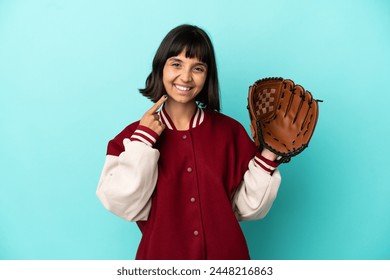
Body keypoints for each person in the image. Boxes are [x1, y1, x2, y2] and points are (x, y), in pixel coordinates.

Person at [96, 24, 281, 260]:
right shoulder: (131, 137)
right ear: (160, 67)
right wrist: (143, 140)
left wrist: (268, 157)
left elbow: (246, 208)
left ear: (208, 75)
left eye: (198, 68)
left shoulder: (230, 132)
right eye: (176, 64)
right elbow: (122, 203)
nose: (186, 77)